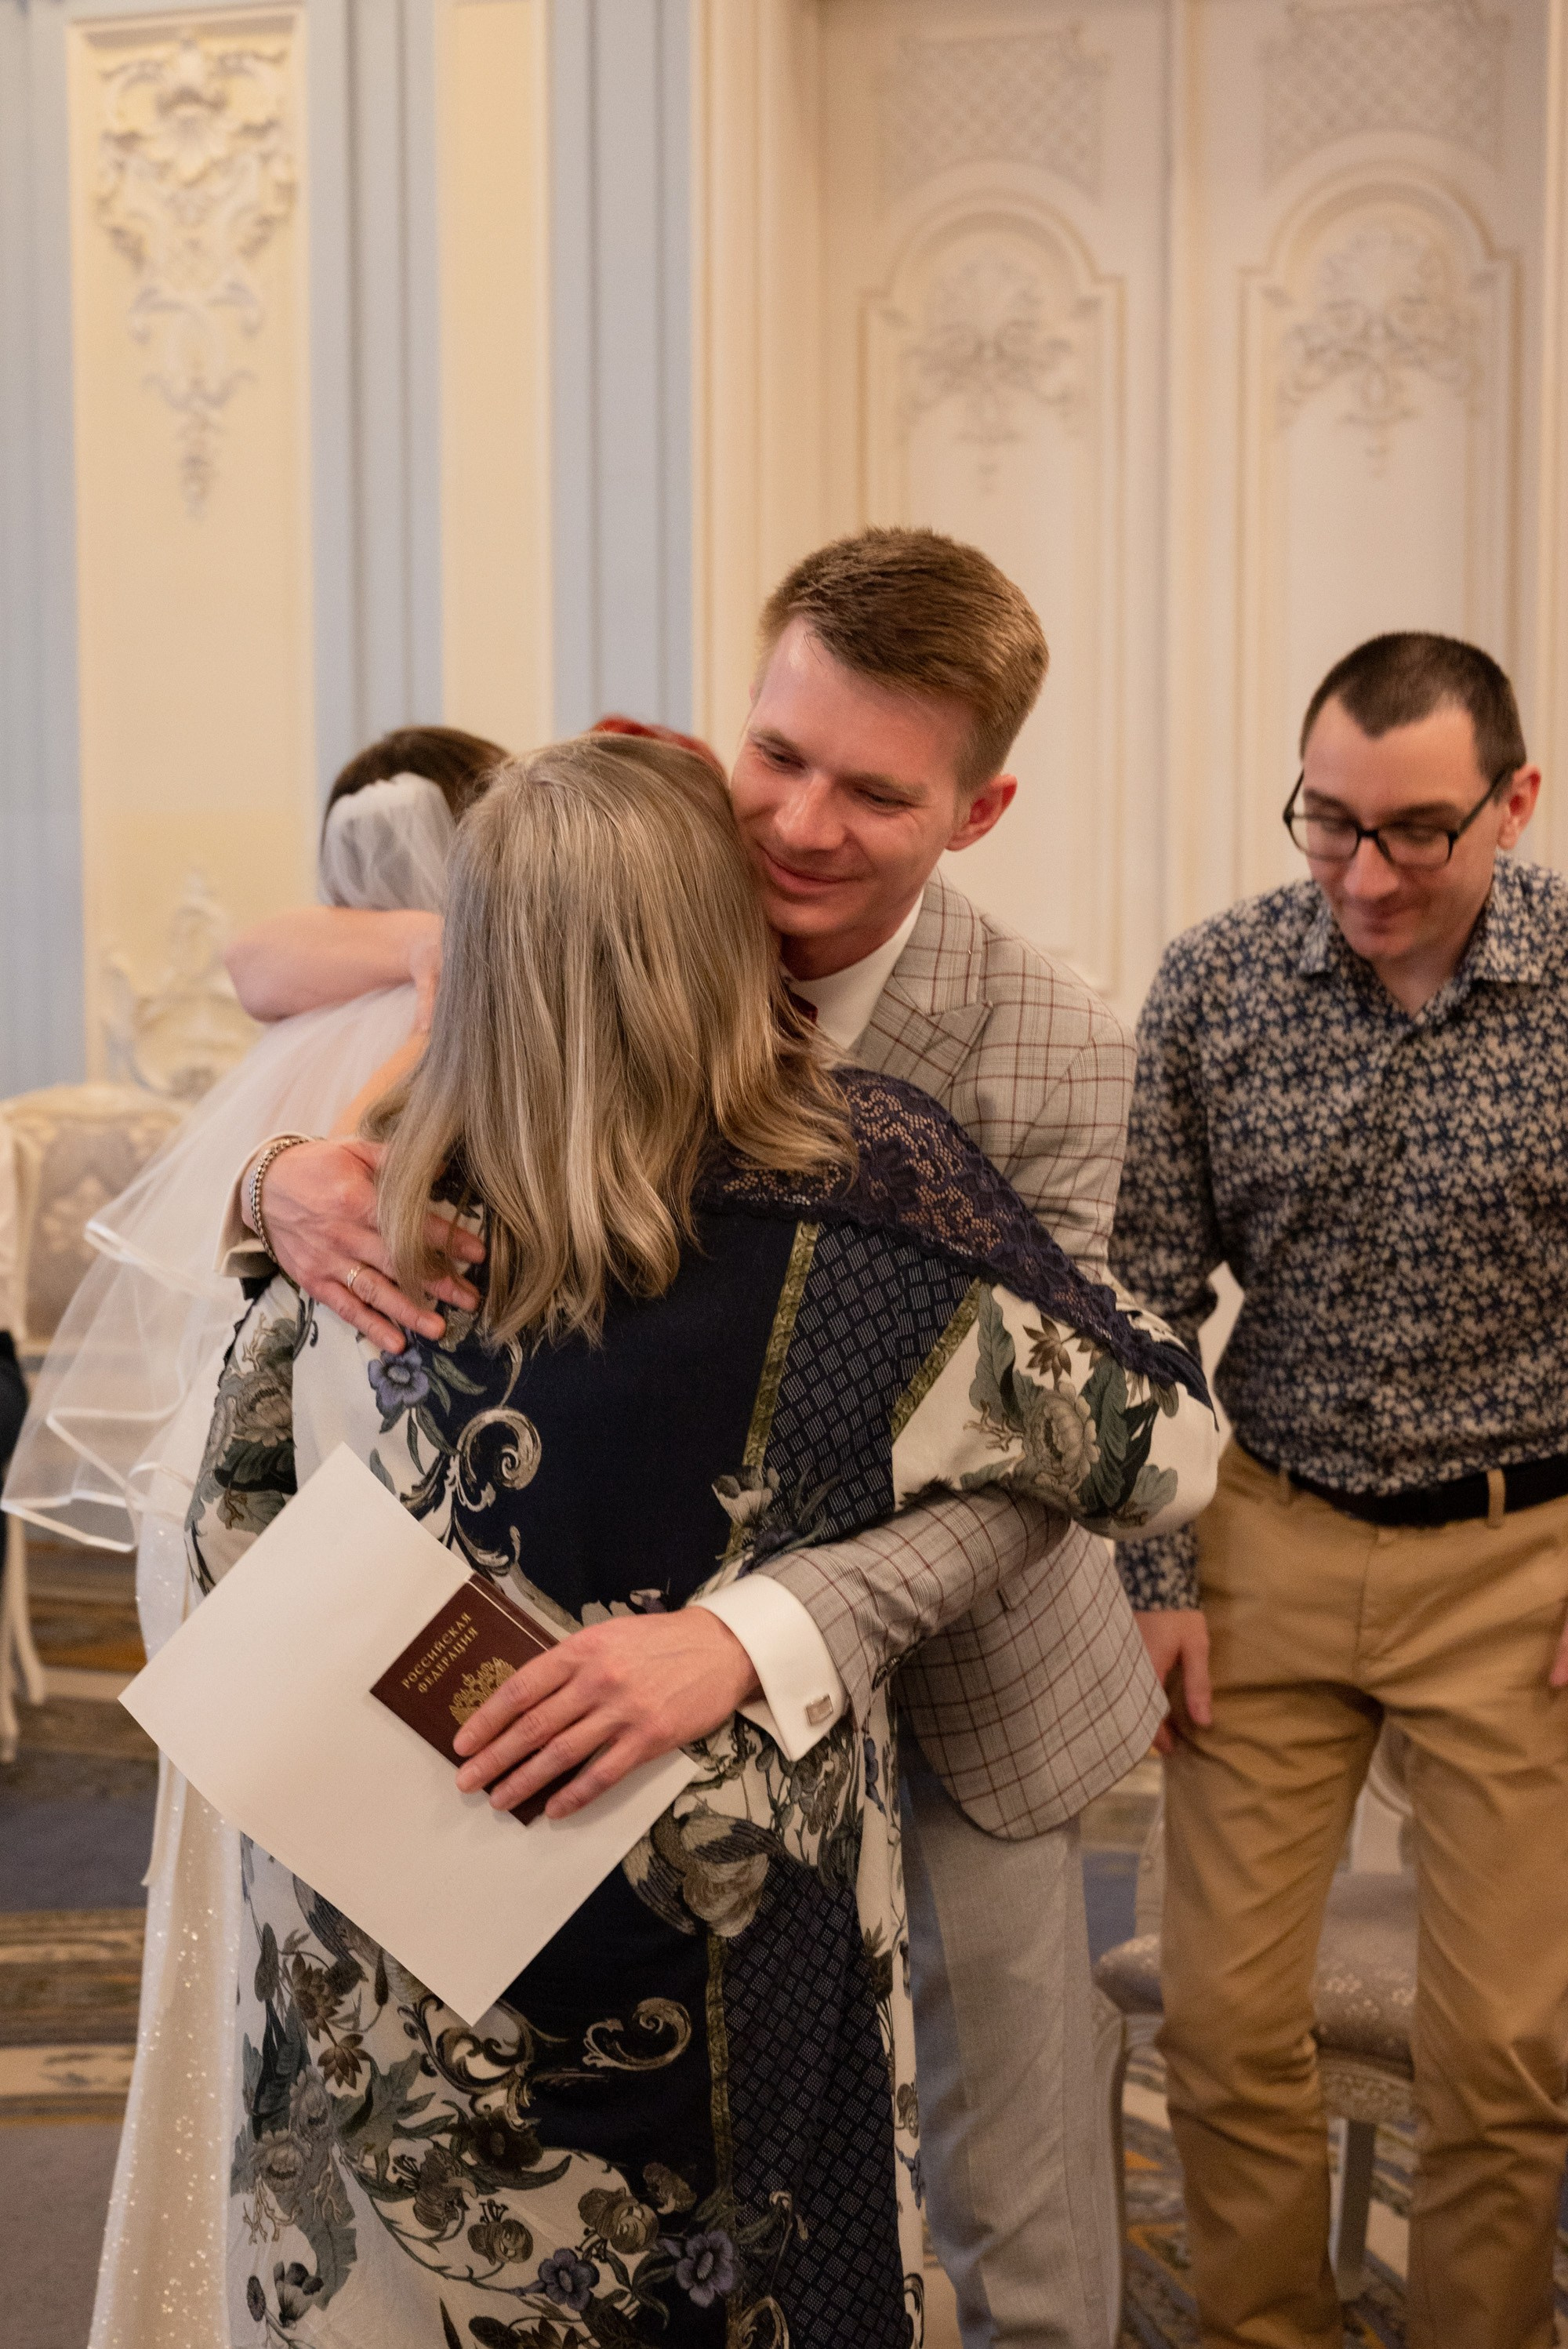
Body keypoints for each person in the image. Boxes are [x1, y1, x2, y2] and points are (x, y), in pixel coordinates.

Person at [223, 528, 1170, 2347]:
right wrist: (278, 1178)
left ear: (976, 811)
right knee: (662, 2174)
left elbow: (1064, 1446)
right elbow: (285, 956)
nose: (798, 825)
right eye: (778, 754)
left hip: (961, 1666)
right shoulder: (657, 871)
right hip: (622, 1650)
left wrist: (761, 1632)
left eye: (873, 793)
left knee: (1014, 2199)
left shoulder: (1053, 1041)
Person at [1111, 632, 1568, 2349]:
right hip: (1270, 1541)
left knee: (1503, 2052)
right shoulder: (1217, 985)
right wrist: (1158, 1577)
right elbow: (1146, 1297)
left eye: (1417, 832)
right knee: (1224, 2026)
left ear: (1515, 802)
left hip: (1521, 1558)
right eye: (1328, 822)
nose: (1365, 875)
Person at [49, 724, 507, 2349]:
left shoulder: (317, 1000)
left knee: (265, 1923)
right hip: (338, 1526)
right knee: (358, 1937)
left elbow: (255, 962)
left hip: (233, 1517)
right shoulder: (453, 1023)